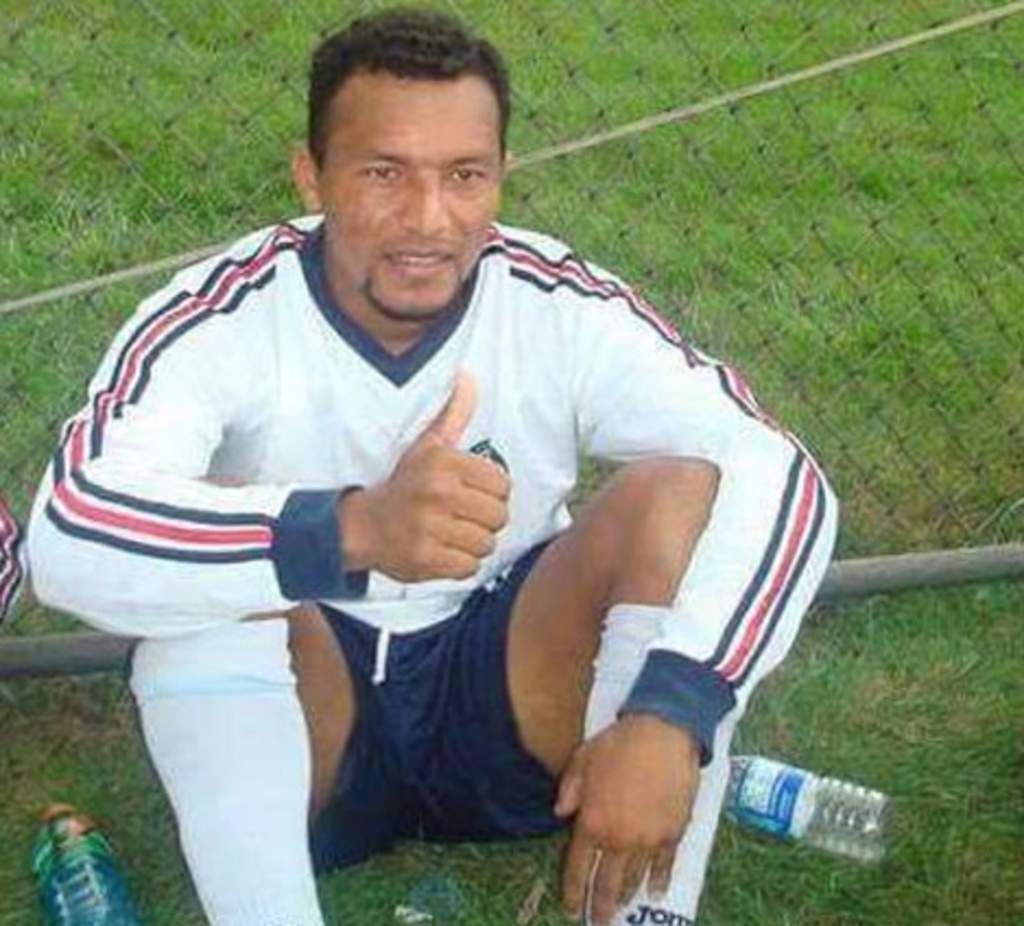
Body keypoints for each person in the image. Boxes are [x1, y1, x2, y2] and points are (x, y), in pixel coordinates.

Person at [27, 8, 838, 925]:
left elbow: (780, 468)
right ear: (312, 175)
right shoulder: (223, 314)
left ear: (500, 176)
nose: (428, 219)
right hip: (310, 724)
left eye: (464, 175)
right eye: (384, 173)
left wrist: (676, 707)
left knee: (677, 490)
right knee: (199, 574)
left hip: (514, 697)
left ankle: (648, 913)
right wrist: (350, 529)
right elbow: (70, 531)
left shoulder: (554, 301)